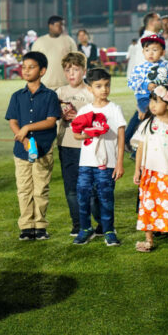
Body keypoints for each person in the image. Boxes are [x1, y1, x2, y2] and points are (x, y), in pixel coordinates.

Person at [5, 52, 61, 241]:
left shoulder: (50, 96)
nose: (26, 70)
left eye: (32, 67)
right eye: (24, 66)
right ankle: (27, 226)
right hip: (22, 151)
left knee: (40, 189)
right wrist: (23, 139)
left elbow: (51, 121)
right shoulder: (16, 96)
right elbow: (13, 121)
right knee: (24, 189)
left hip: (43, 149)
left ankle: (40, 225)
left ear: (42, 71)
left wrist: (27, 127)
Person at [72, 68, 126, 246]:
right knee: (83, 196)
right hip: (86, 163)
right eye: (98, 86)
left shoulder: (114, 109)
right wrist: (90, 133)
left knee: (106, 197)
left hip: (107, 162)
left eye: (107, 85)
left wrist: (119, 163)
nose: (104, 89)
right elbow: (77, 134)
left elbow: (120, 137)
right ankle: (85, 228)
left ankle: (108, 230)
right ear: (90, 88)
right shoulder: (85, 110)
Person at [55, 52, 101, 236]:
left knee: (91, 188)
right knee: (71, 188)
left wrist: (79, 118)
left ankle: (101, 223)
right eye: (68, 70)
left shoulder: (90, 92)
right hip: (66, 144)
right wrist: (61, 115)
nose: (71, 74)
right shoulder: (60, 92)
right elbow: (51, 116)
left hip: (88, 145)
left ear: (84, 70)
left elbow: (100, 119)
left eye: (76, 69)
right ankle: (79, 224)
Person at [131, 84, 168, 252]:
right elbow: (140, 148)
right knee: (148, 205)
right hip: (150, 173)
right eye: (151, 101)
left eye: (157, 101)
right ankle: (148, 240)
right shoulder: (148, 123)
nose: (153, 105)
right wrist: (137, 170)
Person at [31, 15, 77, 89]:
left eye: (63, 25)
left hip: (66, 84)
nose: (62, 27)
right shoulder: (39, 42)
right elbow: (33, 63)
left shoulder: (69, 41)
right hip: (45, 84)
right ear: (50, 26)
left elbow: (76, 61)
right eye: (59, 25)